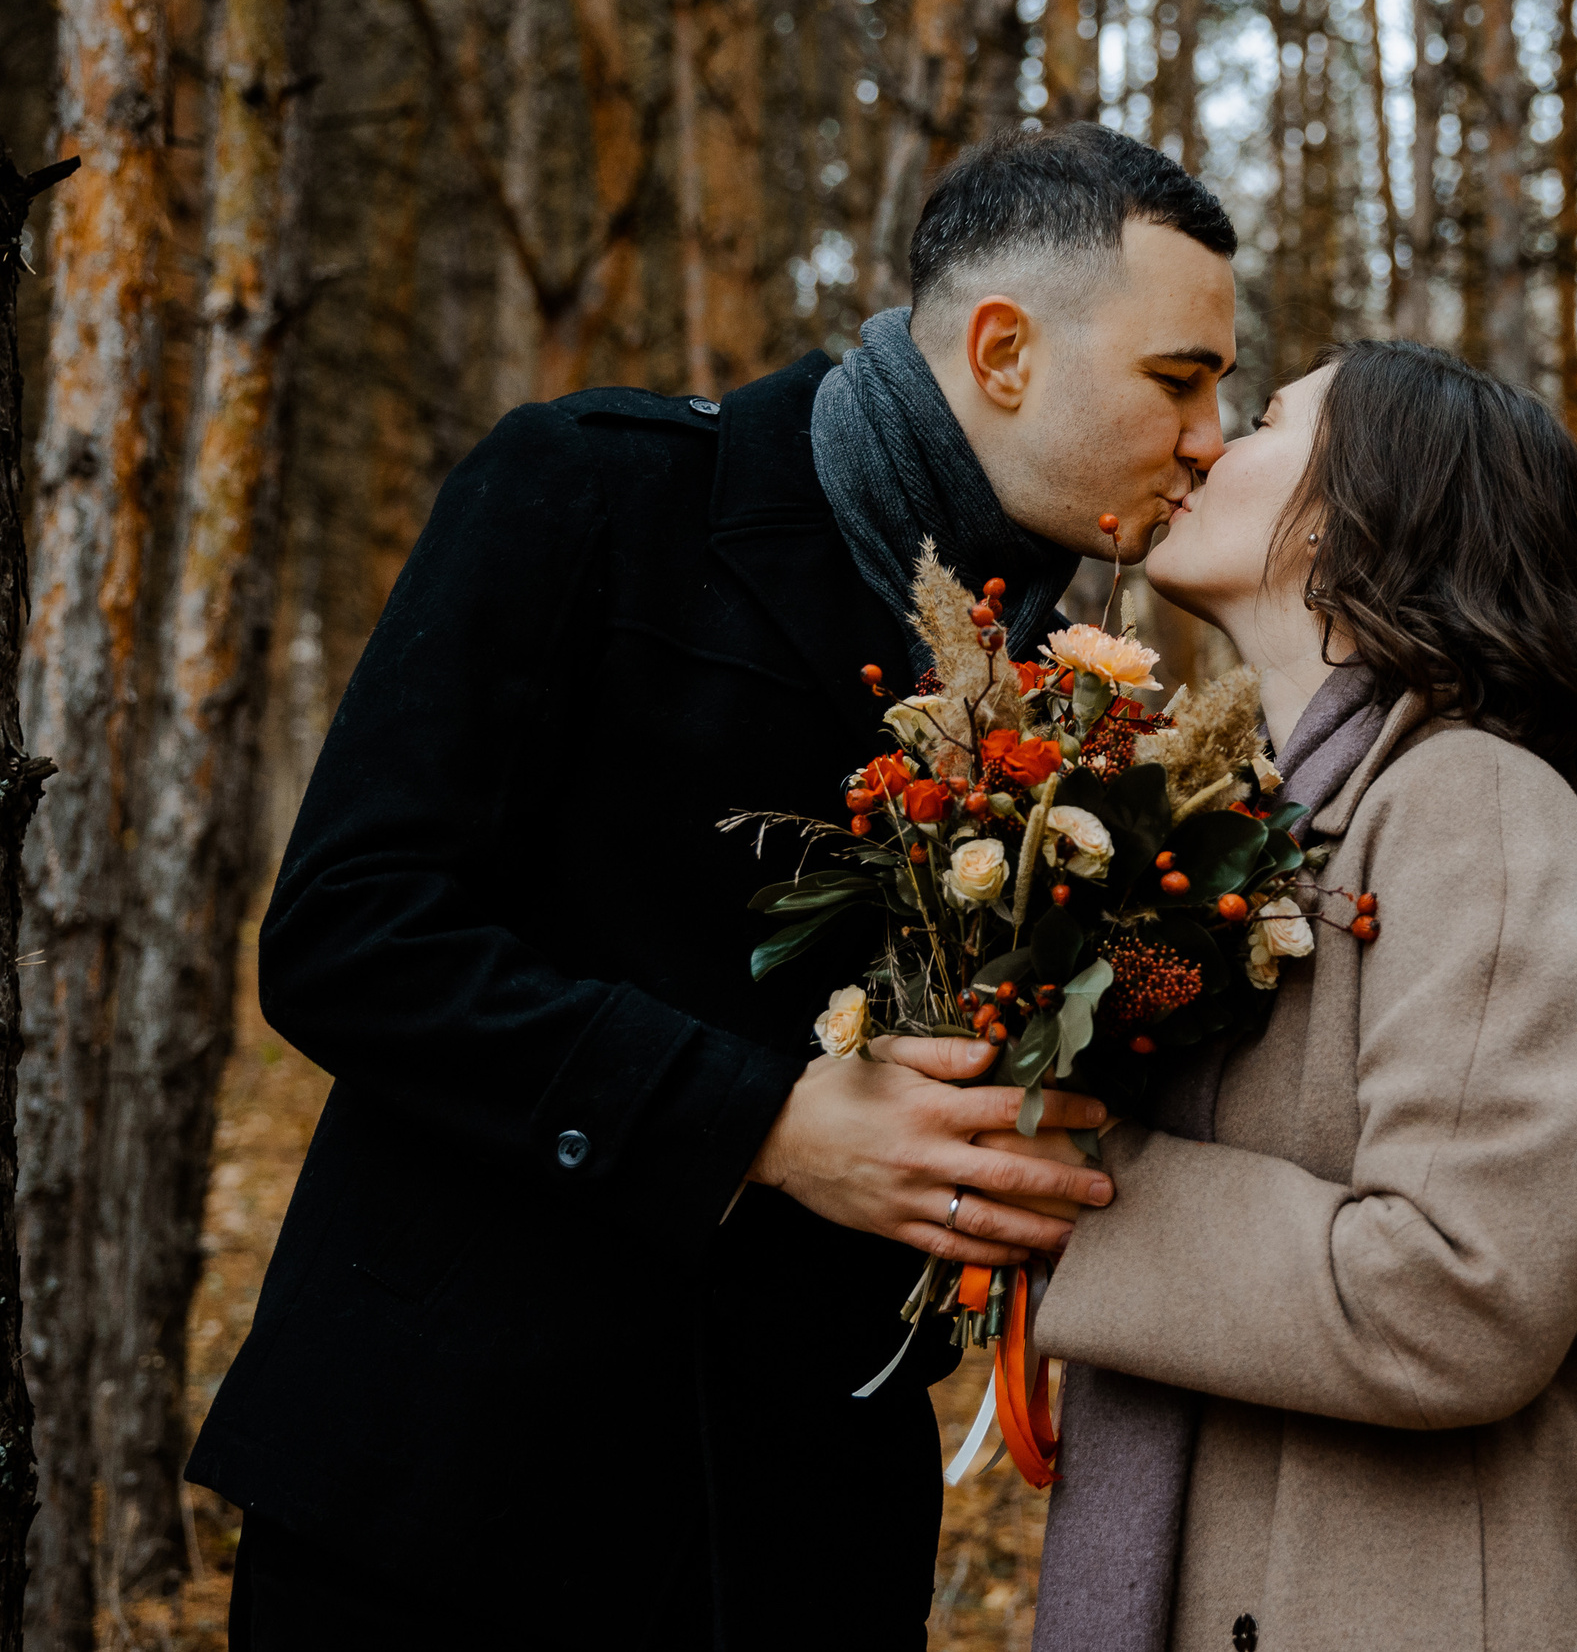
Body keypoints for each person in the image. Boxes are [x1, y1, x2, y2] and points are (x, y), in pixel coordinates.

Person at [188, 123, 1239, 1649]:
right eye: (1179, 377)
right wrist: (758, 1124)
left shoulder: (1063, 690)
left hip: (797, 1537)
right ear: (1006, 350)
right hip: (451, 1505)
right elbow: (348, 932)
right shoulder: (596, 493)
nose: (1210, 434)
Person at [1027, 341, 1577, 1652]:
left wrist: (1076, 1196)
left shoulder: (1473, 803)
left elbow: (1456, 1291)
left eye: (1259, 421)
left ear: (1361, 515)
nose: (1203, 444)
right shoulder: (1291, 830)